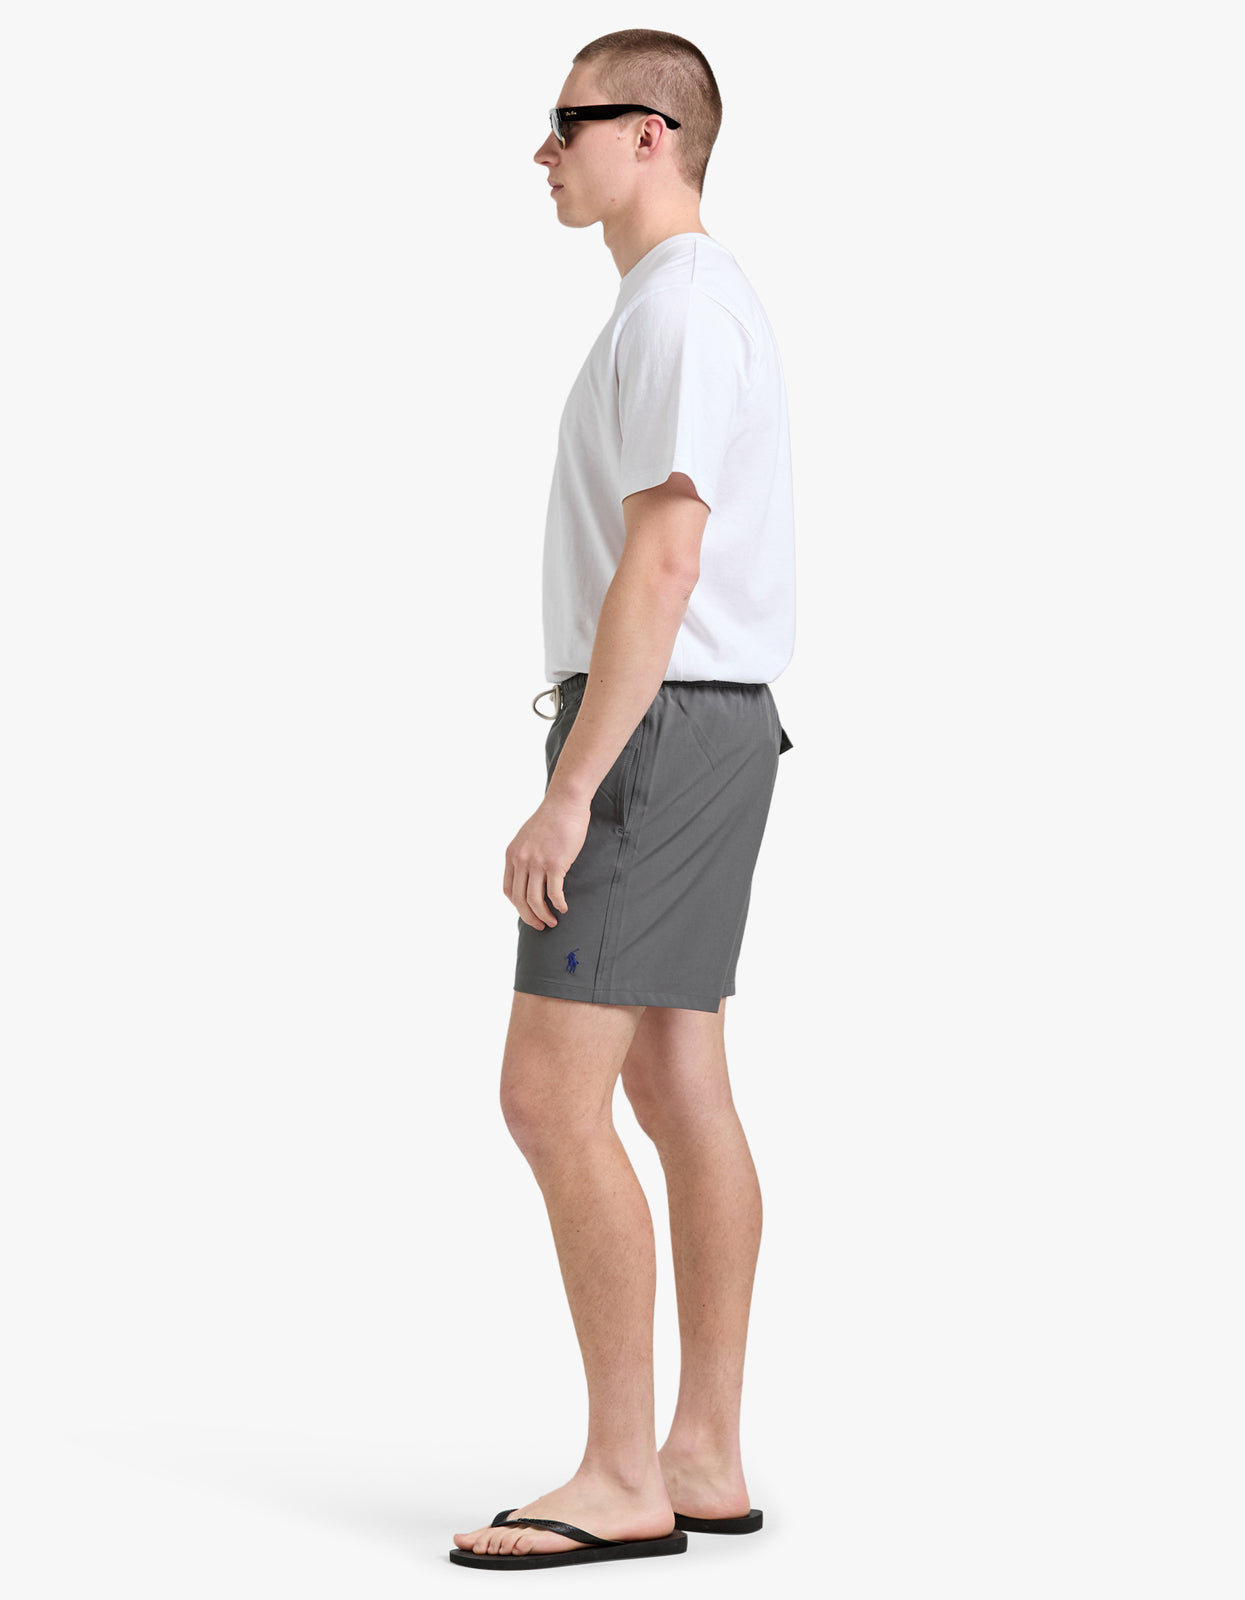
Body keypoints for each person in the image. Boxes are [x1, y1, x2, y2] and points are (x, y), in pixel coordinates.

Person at [450, 28, 795, 1572]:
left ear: (650, 132)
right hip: (698, 723)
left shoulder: (680, 310)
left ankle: (618, 1475)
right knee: (671, 1082)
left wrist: (573, 788)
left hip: (653, 729)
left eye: (566, 121)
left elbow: (664, 560)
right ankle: (699, 1454)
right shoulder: (682, 302)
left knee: (548, 1094)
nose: (543, 149)